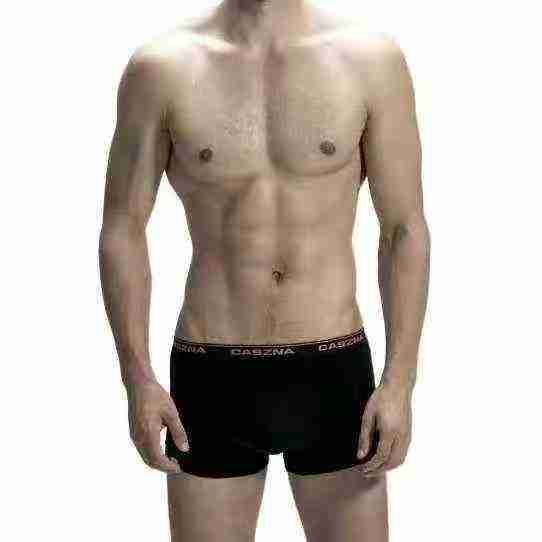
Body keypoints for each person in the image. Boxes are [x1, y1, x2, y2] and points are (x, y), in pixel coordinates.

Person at [99, 1, 430, 540]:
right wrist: (137, 379)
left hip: (333, 373)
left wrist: (400, 381)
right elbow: (122, 229)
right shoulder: (162, 68)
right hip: (211, 374)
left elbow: (403, 230)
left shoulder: (370, 59)